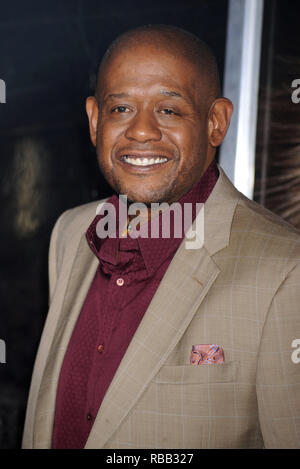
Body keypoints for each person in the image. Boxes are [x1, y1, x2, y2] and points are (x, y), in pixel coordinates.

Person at [22, 25, 300, 449]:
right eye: (121, 110)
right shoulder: (71, 233)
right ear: (95, 120)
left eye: (169, 110)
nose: (141, 131)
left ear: (216, 122)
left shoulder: (285, 270)